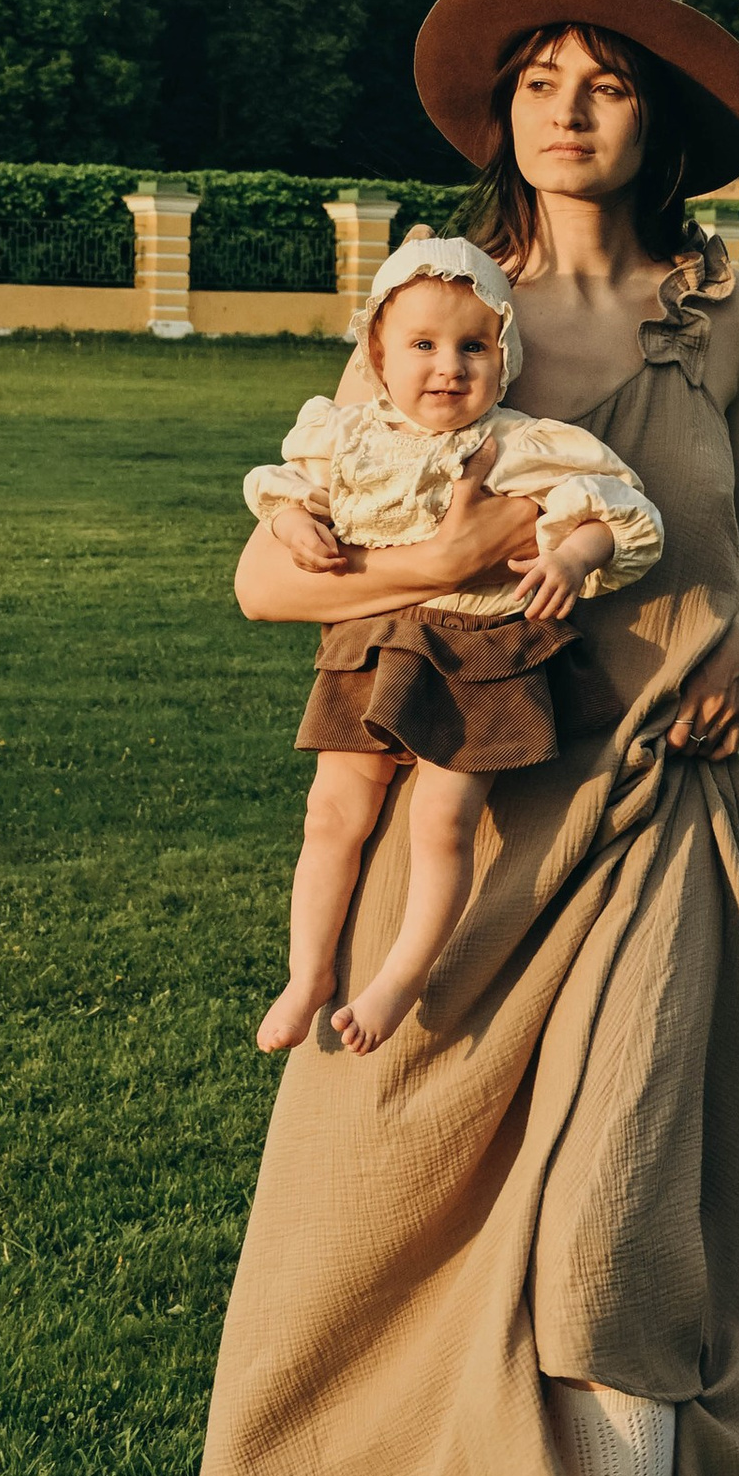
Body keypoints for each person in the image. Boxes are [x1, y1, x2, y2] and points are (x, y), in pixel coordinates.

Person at [189, 0, 739, 1476]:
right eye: (544, 74)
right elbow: (261, 583)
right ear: (501, 110)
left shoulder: (716, 315)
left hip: (647, 816)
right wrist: (465, 551)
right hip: (459, 841)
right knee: (398, 1234)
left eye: (613, 80)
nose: (574, 104)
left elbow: (727, 560)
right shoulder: (427, 313)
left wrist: (732, 640)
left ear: (657, 123)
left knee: (610, 1244)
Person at [244, 235, 664, 1058]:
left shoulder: (521, 442)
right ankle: (307, 974)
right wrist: (297, 523)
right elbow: (282, 488)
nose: (449, 367)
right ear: (378, 354)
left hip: (481, 648)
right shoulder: (351, 434)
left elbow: (622, 509)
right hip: (374, 642)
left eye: (474, 347)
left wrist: (573, 554)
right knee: (331, 813)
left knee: (445, 822)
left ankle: (401, 974)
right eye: (424, 346)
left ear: (504, 359)